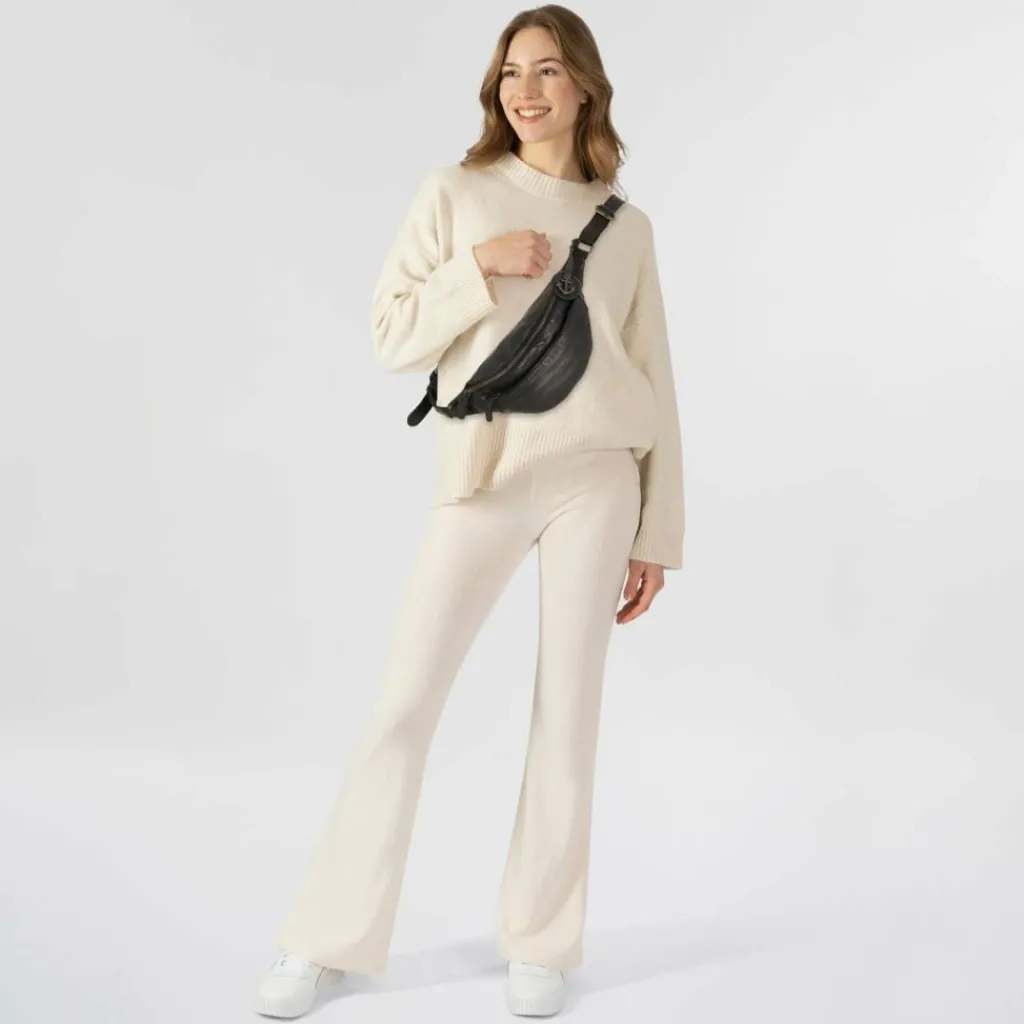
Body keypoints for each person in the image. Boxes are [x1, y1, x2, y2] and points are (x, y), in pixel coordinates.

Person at [253, 4, 684, 1018]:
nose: (525, 91)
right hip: (486, 474)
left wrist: (656, 533)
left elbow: (656, 378)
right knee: (403, 705)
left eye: (547, 70)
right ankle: (324, 938)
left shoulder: (627, 227)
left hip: (598, 479)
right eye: (509, 74)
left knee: (569, 712)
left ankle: (542, 941)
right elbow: (390, 334)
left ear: (585, 85)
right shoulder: (455, 193)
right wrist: (477, 267)